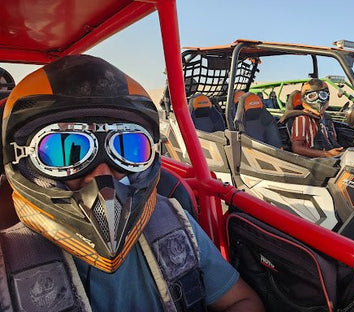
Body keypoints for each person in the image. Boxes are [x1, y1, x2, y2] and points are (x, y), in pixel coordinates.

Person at [1, 55, 264, 312]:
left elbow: (241, 300)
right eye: (66, 151)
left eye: (127, 149)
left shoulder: (174, 222)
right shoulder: (7, 263)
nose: (101, 175)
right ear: (21, 157)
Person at [287, 78, 343, 158]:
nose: (318, 100)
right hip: (314, 162)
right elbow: (297, 148)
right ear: (305, 98)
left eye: (323, 95)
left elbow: (332, 140)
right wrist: (326, 154)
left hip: (330, 157)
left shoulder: (326, 118)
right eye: (312, 96)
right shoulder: (302, 118)